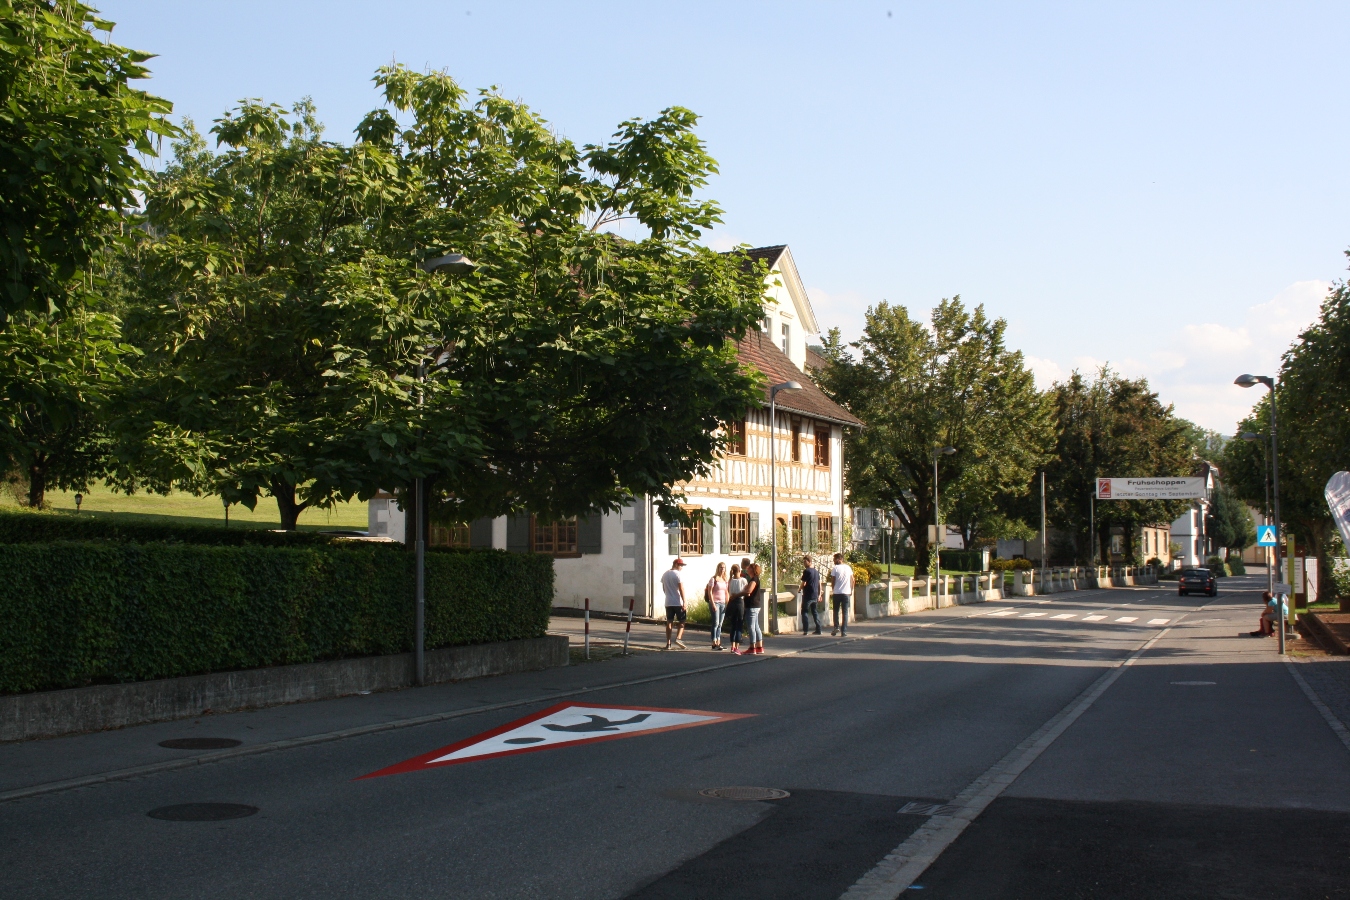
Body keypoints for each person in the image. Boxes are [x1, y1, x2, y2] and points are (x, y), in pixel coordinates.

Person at [662, 558, 688, 650]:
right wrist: (684, 601)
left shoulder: (665, 574)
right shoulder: (678, 574)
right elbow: (681, 588)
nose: (681, 567)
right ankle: (678, 638)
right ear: (676, 564)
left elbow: (664, 588)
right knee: (682, 620)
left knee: (669, 622)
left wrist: (668, 595)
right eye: (681, 565)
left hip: (668, 601)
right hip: (678, 602)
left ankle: (668, 643)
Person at [829, 552, 853, 637]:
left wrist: (833, 589)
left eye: (835, 559)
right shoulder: (848, 568)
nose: (834, 561)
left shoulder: (835, 568)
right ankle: (844, 631)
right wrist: (851, 590)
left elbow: (833, 580)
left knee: (836, 611)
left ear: (840, 559)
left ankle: (836, 627)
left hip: (837, 593)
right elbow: (852, 580)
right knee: (845, 612)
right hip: (846, 593)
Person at [707, 562, 729, 650]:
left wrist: (728, 603)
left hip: (723, 603)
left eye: (723, 567)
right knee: (715, 623)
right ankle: (714, 642)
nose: (722, 569)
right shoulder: (713, 579)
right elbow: (709, 592)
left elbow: (726, 592)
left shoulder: (725, 580)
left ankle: (718, 641)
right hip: (715, 602)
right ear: (718, 568)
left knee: (720, 623)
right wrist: (712, 603)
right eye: (721, 567)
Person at [744, 562, 765, 654]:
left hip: (752, 605)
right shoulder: (755, 579)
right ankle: (759, 647)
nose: (747, 569)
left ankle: (752, 647)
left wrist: (741, 592)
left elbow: (749, 591)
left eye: (749, 568)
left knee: (751, 627)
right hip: (755, 605)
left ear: (752, 570)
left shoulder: (754, 579)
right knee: (756, 626)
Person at [726, 564, 747, 655]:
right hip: (739, 601)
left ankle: (732, 646)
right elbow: (746, 591)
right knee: (739, 624)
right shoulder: (743, 580)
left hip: (732, 602)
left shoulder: (730, 580)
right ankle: (737, 647)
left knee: (733, 625)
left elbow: (729, 591)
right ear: (739, 571)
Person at [799, 555, 822, 635]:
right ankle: (818, 629)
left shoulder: (807, 571)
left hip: (808, 595)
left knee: (804, 611)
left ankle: (806, 630)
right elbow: (819, 583)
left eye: (805, 562)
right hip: (815, 595)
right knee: (814, 611)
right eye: (803, 562)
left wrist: (799, 589)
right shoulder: (816, 571)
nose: (804, 563)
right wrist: (819, 594)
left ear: (809, 562)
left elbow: (803, 582)